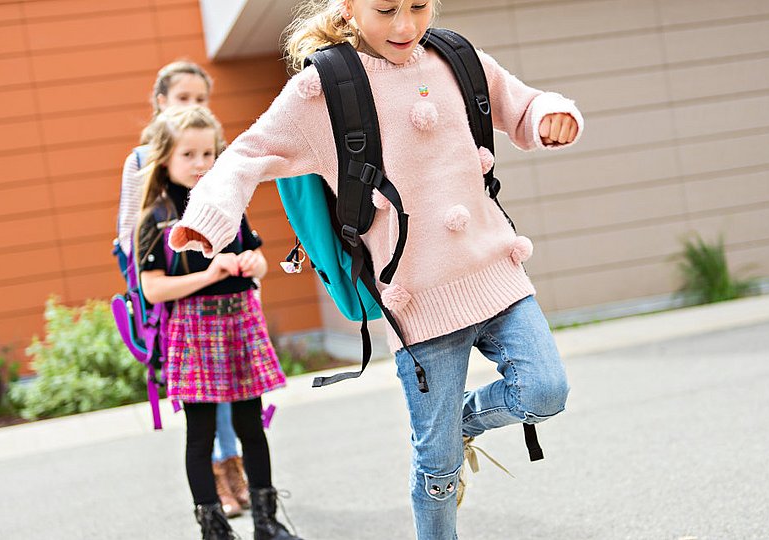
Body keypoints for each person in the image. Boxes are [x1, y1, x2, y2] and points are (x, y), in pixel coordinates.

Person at [169, 0, 582, 537]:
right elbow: (247, 155)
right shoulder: (323, 88)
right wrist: (209, 218)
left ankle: (456, 423)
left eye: (418, 5)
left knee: (545, 390)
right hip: (416, 304)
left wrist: (553, 113)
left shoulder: (458, 58)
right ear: (349, 7)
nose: (406, 25)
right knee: (438, 471)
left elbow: (521, 106)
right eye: (386, 9)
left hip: (496, 273)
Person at [136, 105, 303, 540]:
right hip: (193, 329)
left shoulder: (227, 202)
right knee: (202, 430)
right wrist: (208, 275)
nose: (200, 163)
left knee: (251, 424)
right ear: (166, 159)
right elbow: (152, 288)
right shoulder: (155, 217)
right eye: (188, 155)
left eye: (208, 153)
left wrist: (254, 263)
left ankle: (267, 521)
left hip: (239, 321)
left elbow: (262, 261)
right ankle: (214, 527)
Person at [115, 60, 251, 517]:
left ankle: (233, 468)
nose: (193, 106)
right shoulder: (143, 160)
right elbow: (129, 229)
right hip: (177, 291)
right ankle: (218, 473)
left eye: (200, 99)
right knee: (204, 396)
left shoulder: (214, 154)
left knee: (234, 389)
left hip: (226, 294)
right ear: (161, 103)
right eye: (183, 99)